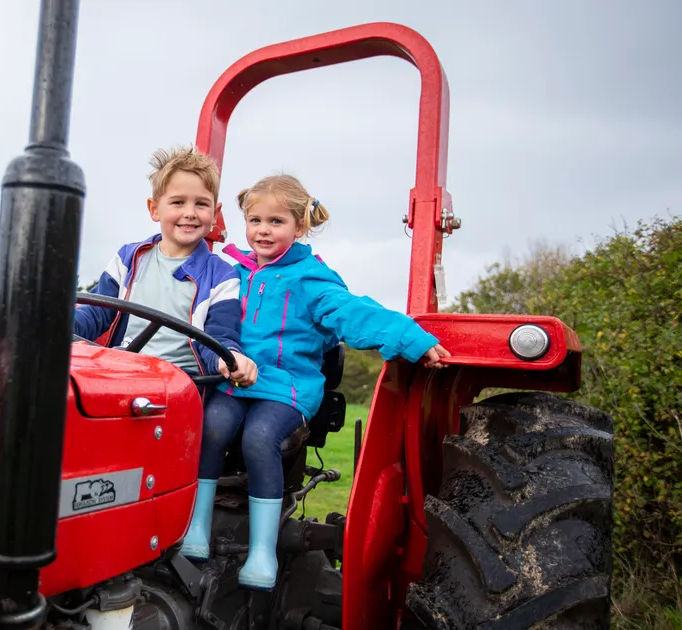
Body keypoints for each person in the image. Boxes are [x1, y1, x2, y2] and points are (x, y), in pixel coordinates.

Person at [179, 174, 450, 590]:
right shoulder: (231, 271)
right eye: (255, 221)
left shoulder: (310, 278)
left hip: (287, 387)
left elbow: (352, 313)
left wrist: (411, 338)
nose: (263, 231)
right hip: (234, 380)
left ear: (299, 227)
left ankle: (262, 550)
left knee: (258, 437)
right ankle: (194, 528)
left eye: (275, 222)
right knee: (210, 426)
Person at [74, 145, 257, 388]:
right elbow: (97, 312)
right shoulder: (129, 259)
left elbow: (220, 335)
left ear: (215, 213)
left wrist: (228, 359)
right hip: (122, 369)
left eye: (201, 204)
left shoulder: (222, 277)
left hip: (181, 382)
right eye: (178, 202)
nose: (190, 213)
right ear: (154, 208)